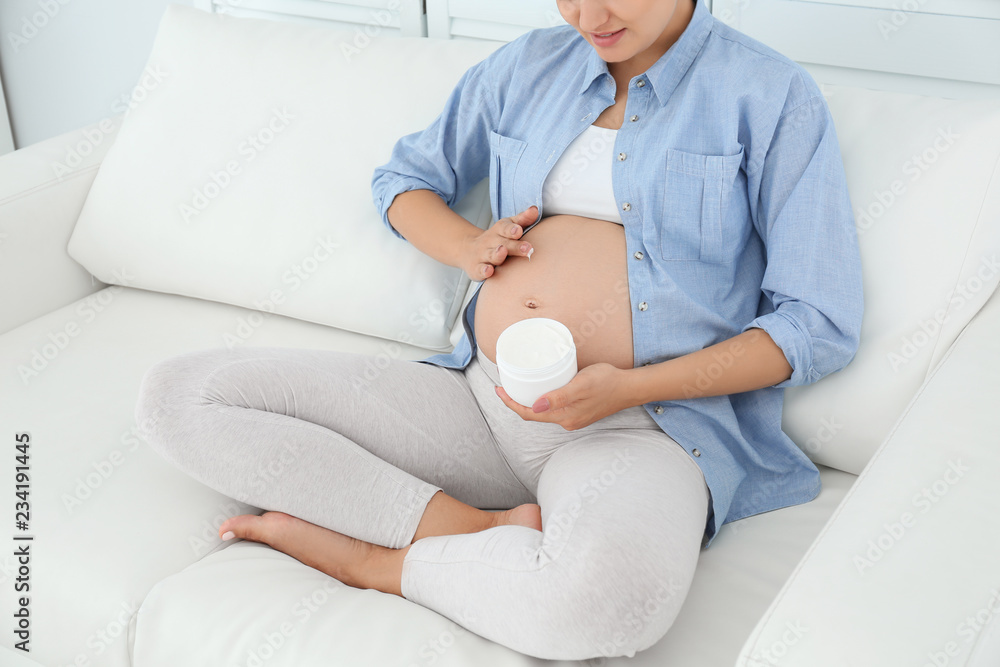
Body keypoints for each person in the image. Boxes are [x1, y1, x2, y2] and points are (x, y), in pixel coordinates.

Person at [134, 0, 863, 661]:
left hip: (641, 430)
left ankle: (374, 563)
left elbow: (816, 324)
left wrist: (629, 387)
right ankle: (476, 530)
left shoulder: (769, 96)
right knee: (181, 395)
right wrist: (464, 245)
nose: (588, 14)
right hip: (479, 403)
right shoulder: (528, 67)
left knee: (609, 604)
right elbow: (405, 179)